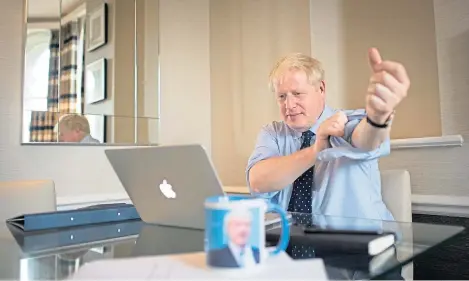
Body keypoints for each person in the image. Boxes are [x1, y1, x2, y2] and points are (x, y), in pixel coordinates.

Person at [246, 48, 410, 222]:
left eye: (297, 94)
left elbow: (366, 139)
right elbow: (258, 182)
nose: (289, 105)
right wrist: (316, 151)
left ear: (321, 89)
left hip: (359, 245)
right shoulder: (272, 133)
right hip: (288, 243)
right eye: (281, 96)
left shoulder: (345, 122)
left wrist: (377, 117)